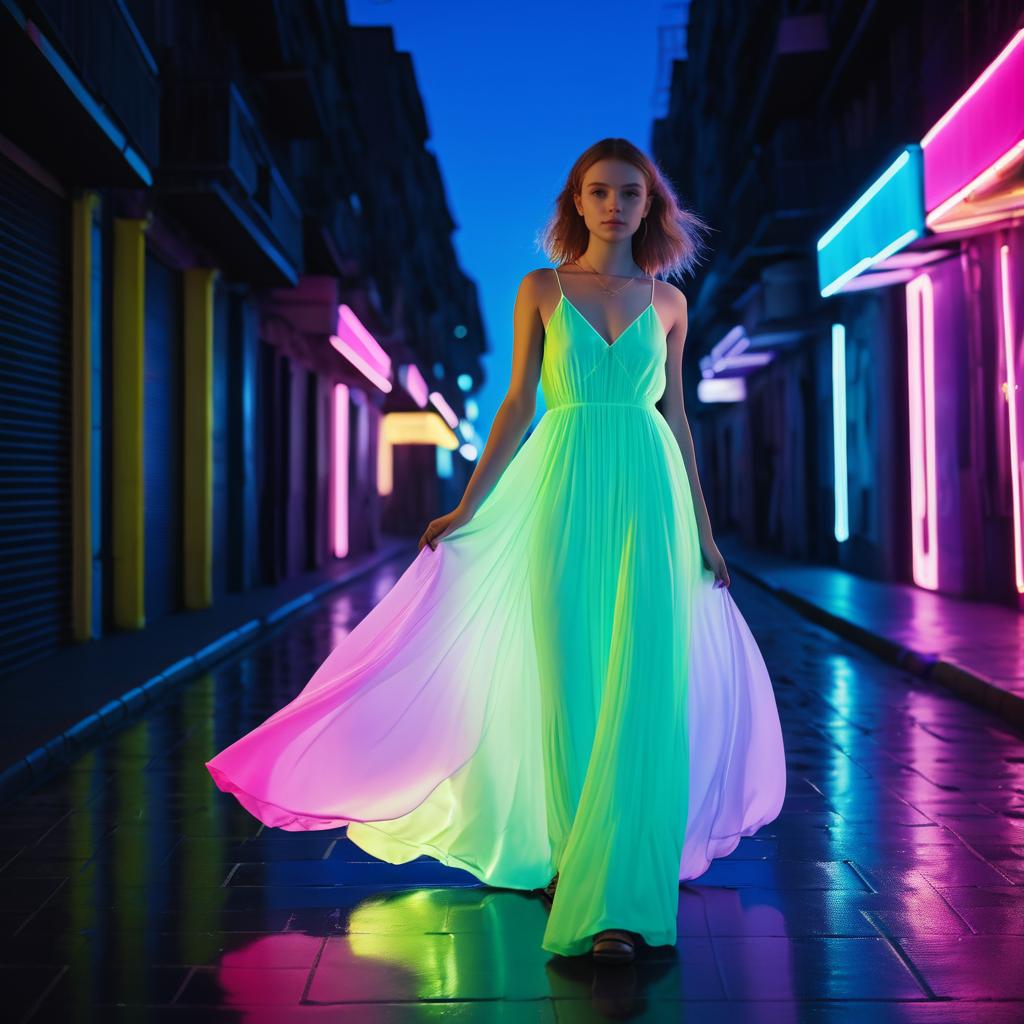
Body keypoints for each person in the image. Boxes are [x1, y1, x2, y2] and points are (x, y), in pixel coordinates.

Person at [206, 137, 786, 964]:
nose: (615, 204)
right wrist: (467, 504)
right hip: (562, 491)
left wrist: (703, 527)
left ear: (649, 204)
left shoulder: (669, 305)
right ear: (576, 203)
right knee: (571, 680)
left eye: (630, 191)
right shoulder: (542, 289)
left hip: (649, 502)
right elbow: (517, 403)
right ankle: (564, 855)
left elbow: (677, 419)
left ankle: (620, 889)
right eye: (598, 191)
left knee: (644, 691)